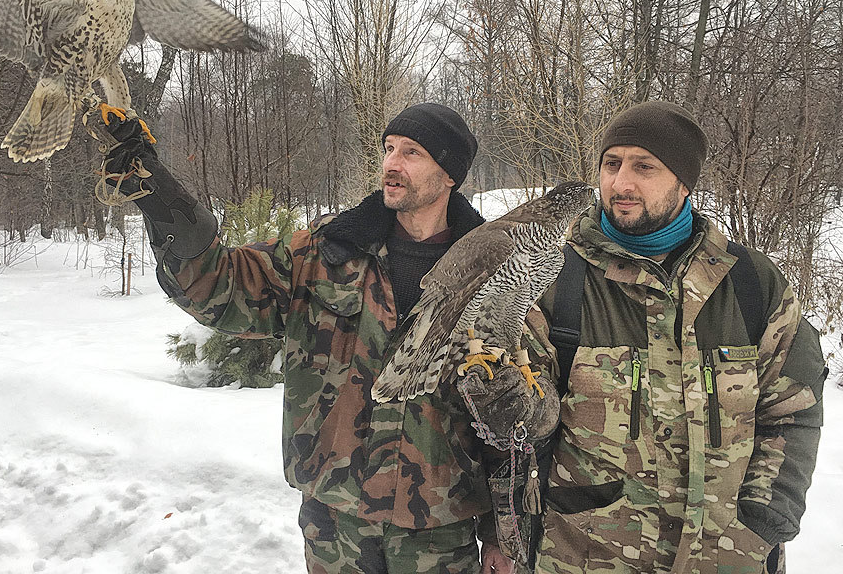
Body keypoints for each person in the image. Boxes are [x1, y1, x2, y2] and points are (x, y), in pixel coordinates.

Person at [98, 102, 515, 574]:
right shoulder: (326, 250)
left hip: (440, 527)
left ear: (450, 176)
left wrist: (503, 533)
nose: (392, 164)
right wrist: (160, 196)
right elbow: (217, 285)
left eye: (412, 153)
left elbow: (510, 421)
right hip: (335, 521)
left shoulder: (493, 274)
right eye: (389, 148)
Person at [520, 100, 827, 573]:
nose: (621, 183)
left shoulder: (751, 284)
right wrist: (505, 405)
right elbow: (526, 430)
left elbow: (793, 411)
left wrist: (765, 520)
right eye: (611, 163)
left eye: (645, 166)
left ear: (684, 183)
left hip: (728, 558)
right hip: (586, 557)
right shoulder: (555, 281)